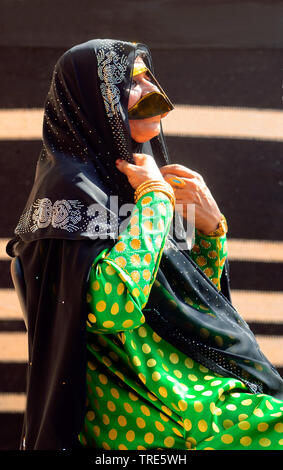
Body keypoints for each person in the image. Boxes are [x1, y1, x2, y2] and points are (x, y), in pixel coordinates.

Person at [6, 39, 283, 451]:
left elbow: (184, 307)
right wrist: (155, 198)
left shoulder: (133, 181)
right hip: (144, 407)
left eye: (149, 76)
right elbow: (112, 307)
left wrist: (211, 231)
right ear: (96, 102)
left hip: (187, 387)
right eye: (132, 81)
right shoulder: (68, 194)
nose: (152, 91)